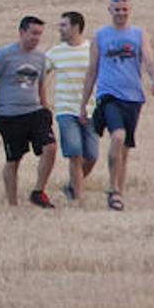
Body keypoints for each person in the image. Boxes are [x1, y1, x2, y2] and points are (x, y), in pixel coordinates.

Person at [83, 0, 154, 211]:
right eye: (117, 10)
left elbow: (149, 60)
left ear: (129, 10)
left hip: (133, 97)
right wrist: (84, 103)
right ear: (110, 11)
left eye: (124, 9)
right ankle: (112, 187)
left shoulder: (138, 34)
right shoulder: (101, 35)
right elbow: (92, 70)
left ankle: (118, 194)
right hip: (108, 95)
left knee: (125, 148)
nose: (121, 13)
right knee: (117, 136)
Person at [0, 16, 58, 209]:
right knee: (14, 159)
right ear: (22, 32)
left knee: (50, 147)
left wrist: (45, 106)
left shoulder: (41, 57)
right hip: (10, 115)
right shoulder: (5, 55)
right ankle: (12, 204)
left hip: (35, 111)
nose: (36, 38)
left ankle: (38, 192)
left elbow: (40, 83)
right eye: (33, 33)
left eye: (39, 34)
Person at [43, 10, 99, 202]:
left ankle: (72, 185)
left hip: (91, 109)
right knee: (75, 152)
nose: (60, 29)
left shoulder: (92, 49)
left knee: (91, 156)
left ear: (76, 27)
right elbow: (40, 75)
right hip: (65, 109)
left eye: (64, 25)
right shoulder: (55, 52)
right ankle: (78, 197)